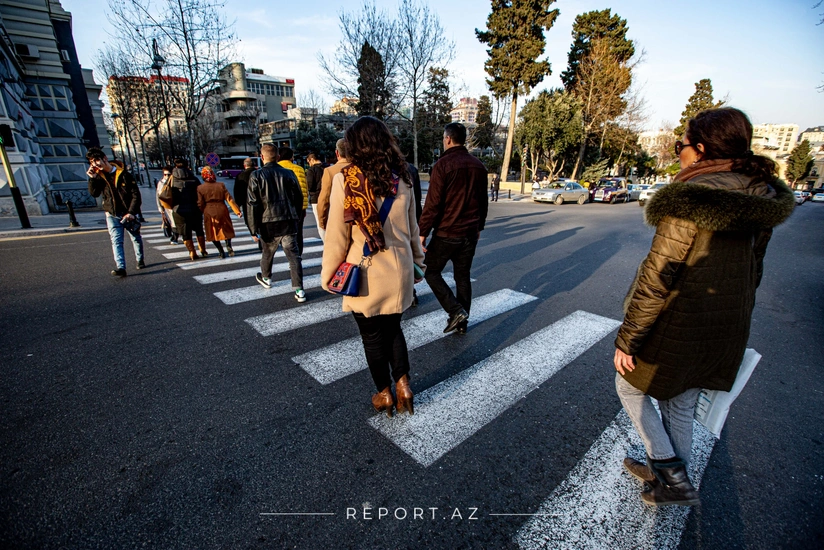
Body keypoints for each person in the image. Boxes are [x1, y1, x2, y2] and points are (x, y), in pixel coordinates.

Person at [613, 107, 794, 507]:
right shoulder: (760, 193)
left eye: (682, 144)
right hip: (727, 321)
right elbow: (754, 268)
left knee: (628, 384)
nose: (679, 151)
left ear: (699, 149)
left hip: (683, 322)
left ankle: (669, 471)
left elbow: (658, 276)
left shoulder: (689, 199)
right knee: (681, 403)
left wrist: (628, 339)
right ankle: (669, 474)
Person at [321, 116, 425, 417]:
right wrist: (418, 264)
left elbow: (337, 236)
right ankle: (404, 384)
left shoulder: (345, 179)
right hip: (400, 269)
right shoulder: (403, 178)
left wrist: (329, 275)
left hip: (366, 273)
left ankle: (384, 394)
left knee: (372, 336)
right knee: (394, 330)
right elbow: (412, 227)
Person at [419, 122, 488, 335]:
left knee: (430, 271)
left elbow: (433, 204)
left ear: (448, 139)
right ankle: (461, 323)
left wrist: (422, 233)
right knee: (462, 277)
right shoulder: (479, 166)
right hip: (469, 233)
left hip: (447, 232)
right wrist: (479, 226)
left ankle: (455, 310)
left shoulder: (442, 165)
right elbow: (483, 202)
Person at [247, 144, 306, 303]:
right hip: (288, 220)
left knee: (267, 252)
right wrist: (296, 216)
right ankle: (299, 289)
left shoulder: (256, 176)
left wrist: (253, 229)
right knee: (293, 256)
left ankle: (266, 278)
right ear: (278, 157)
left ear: (262, 157)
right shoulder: (289, 173)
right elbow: (298, 198)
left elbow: (252, 204)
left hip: (268, 222)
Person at [86, 147, 146, 277]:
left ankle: (140, 259)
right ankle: (121, 267)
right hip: (112, 214)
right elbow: (94, 194)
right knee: (116, 241)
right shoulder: (99, 177)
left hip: (128, 213)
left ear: (105, 159)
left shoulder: (123, 174)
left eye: (97, 160)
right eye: (92, 162)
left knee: (135, 237)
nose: (95, 164)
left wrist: (131, 212)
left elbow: (136, 195)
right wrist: (92, 178)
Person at [197, 166, 242, 258]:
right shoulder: (221, 185)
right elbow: (229, 199)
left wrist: (200, 212)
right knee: (226, 229)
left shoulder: (200, 188)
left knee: (212, 231)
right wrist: (237, 211)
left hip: (209, 210)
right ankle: (229, 247)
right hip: (222, 208)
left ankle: (221, 251)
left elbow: (200, 203)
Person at [169, 158, 208, 261]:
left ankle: (192, 252)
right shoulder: (194, 179)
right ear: (187, 166)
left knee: (185, 232)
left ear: (175, 167)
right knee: (199, 230)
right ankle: (203, 250)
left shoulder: (171, 179)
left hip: (179, 210)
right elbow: (201, 193)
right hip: (194, 208)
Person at [316, 139, 350, 242]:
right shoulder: (361, 168)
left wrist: (322, 222)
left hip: (338, 218)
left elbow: (324, 199)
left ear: (337, 152)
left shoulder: (330, 171)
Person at [277, 147, 308, 254]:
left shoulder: (276, 169)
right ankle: (298, 256)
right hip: (298, 208)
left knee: (284, 234)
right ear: (291, 157)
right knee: (298, 233)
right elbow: (304, 190)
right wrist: (303, 208)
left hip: (281, 208)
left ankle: (290, 256)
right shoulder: (299, 169)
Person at [156, 166, 179, 244]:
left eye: (168, 174)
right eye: (165, 174)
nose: (166, 176)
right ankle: (175, 236)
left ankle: (175, 237)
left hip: (175, 205)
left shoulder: (175, 182)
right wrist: (160, 207)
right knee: (172, 221)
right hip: (166, 206)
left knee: (175, 222)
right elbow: (158, 195)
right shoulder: (160, 183)